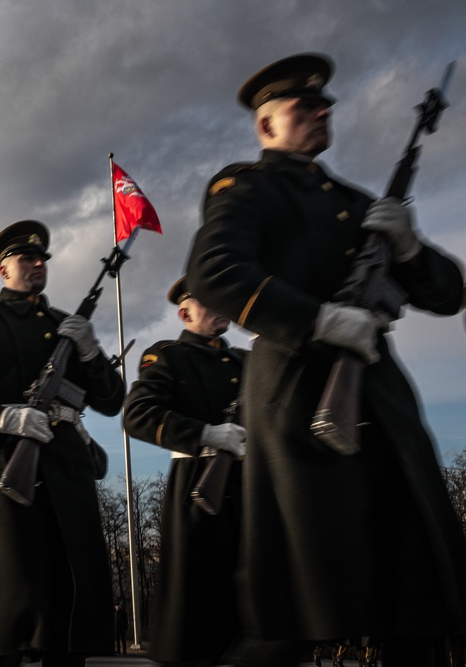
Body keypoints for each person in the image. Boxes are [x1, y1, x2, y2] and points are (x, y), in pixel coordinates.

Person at [185, 53, 466, 665]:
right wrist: (318, 321)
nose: (322, 109)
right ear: (266, 126)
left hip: (380, 403)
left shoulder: (357, 201)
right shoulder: (245, 187)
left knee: (414, 594)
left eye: (325, 103)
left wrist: (410, 247)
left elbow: (449, 295)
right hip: (298, 399)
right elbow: (215, 273)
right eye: (304, 105)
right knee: (297, 602)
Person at [0, 220, 124, 667]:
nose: (38, 264)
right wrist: (2, 417)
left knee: (70, 607)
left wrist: (92, 353)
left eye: (42, 259)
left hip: (69, 474)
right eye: (27, 259)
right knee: (16, 607)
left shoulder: (66, 326)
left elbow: (113, 402)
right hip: (10, 471)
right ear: (4, 270)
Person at [123, 275, 246, 665]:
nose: (221, 307)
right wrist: (204, 433)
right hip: (199, 487)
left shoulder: (248, 360)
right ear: (184, 312)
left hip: (250, 488)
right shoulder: (167, 356)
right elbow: (138, 415)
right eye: (210, 301)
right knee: (198, 607)